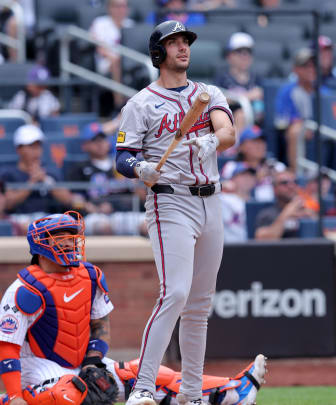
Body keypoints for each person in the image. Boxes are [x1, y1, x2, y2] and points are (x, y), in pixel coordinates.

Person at [0, 212, 266, 405]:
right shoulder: (23, 290)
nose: (70, 242)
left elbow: (101, 327)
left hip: (81, 363)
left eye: (71, 236)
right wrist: (15, 396)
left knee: (144, 373)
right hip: (38, 370)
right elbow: (8, 349)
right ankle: (0, 402)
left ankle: (232, 391)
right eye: (61, 237)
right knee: (70, 392)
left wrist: (92, 362)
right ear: (40, 246)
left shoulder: (90, 276)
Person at [113, 20, 236, 405]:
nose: (182, 47)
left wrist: (211, 140)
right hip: (170, 199)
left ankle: (191, 393)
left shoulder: (208, 92)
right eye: (173, 42)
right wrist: (140, 169)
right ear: (158, 52)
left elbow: (229, 134)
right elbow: (122, 156)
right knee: (175, 293)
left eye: (185, 41)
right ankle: (143, 388)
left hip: (210, 198)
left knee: (200, 303)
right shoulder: (140, 103)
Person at [0, 124, 73, 220]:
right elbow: (6, 203)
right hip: (18, 219)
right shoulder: (7, 173)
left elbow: (67, 199)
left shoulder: (51, 171)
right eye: (31, 146)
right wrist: (32, 182)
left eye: (38, 146)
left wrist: (45, 180)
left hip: (49, 218)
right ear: (19, 149)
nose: (36, 151)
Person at [274, 47, 317, 170]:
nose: (311, 70)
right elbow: (281, 120)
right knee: (295, 131)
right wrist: (302, 124)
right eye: (306, 66)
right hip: (300, 129)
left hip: (321, 129)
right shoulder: (287, 91)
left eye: (314, 66)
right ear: (296, 69)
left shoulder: (323, 91)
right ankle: (296, 173)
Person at [214, 32, 264, 134]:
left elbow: (260, 94)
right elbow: (217, 99)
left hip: (256, 123)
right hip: (229, 123)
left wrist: (235, 98)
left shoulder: (256, 78)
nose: (244, 56)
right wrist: (245, 97)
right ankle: (235, 149)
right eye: (239, 52)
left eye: (248, 52)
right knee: (240, 115)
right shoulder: (222, 77)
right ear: (229, 56)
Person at [221, 126, 286, 202]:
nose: (260, 145)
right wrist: (255, 179)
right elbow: (221, 189)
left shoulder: (277, 167)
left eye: (262, 141)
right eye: (254, 141)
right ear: (242, 147)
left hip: (273, 209)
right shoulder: (231, 167)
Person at [254, 170, 315, 239]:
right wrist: (286, 213)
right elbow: (262, 240)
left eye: (294, 182)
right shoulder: (267, 214)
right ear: (275, 189)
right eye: (284, 183)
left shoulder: (306, 210)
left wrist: (312, 217)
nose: (291, 186)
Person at [220, 163, 257, 243]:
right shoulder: (222, 199)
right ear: (231, 178)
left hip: (252, 248)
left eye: (251, 175)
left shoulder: (258, 201)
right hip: (228, 248)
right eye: (242, 175)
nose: (248, 178)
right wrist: (221, 186)